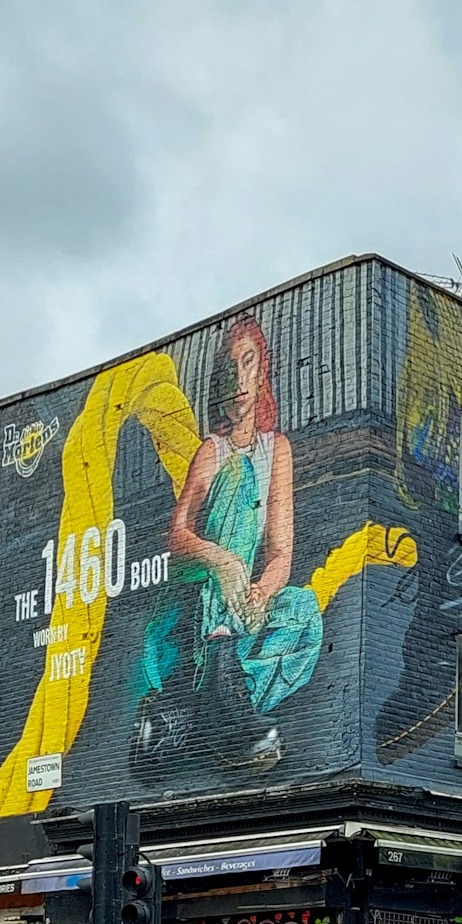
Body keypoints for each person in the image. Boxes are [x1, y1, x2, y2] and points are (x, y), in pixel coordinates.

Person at [130, 315, 324, 778]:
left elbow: (280, 553)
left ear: (262, 374)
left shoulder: (277, 450)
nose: (237, 378)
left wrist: (261, 593)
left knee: (303, 610)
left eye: (248, 363)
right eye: (228, 368)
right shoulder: (211, 451)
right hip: (191, 601)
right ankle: (223, 701)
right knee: (237, 481)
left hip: (239, 605)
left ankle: (199, 708)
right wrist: (224, 563)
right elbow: (178, 536)